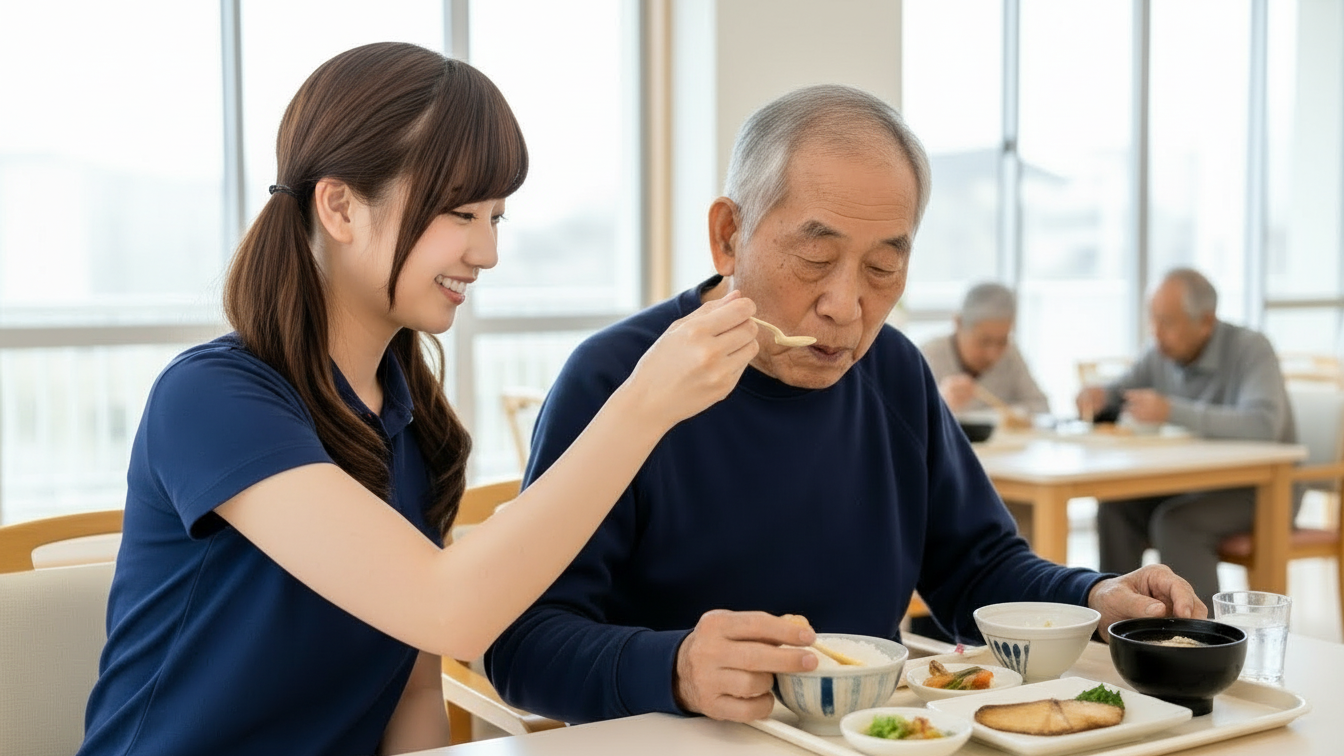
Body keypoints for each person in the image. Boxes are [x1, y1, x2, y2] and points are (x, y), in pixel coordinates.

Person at [76, 43, 760, 756]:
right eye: (461, 213)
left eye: (497, 217)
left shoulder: (416, 427)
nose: (486, 251)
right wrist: (644, 402)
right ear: (339, 206)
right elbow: (448, 610)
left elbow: (411, 687)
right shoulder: (211, 401)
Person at [485, 84, 1205, 726]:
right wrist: (676, 667)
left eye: (884, 269)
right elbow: (521, 644)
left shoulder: (893, 372)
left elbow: (978, 571)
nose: (846, 308)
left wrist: (1096, 597)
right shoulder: (620, 379)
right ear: (728, 235)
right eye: (815, 259)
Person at [1076, 267, 1297, 605]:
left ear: (1205, 321)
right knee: (1115, 508)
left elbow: (1263, 424)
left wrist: (1172, 410)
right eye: (1153, 321)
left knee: (1176, 522)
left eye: (1167, 322)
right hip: (1195, 485)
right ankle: (1117, 621)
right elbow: (1120, 391)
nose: (1156, 332)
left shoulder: (1251, 349)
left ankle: (1201, 635)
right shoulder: (1161, 353)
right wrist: (1101, 395)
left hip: (1261, 490)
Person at [921, 282, 1049, 418]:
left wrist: (1009, 415)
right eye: (984, 341)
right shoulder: (927, 357)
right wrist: (940, 404)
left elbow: (1042, 407)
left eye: (1002, 341)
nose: (992, 354)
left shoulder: (1011, 355)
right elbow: (909, 420)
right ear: (958, 323)